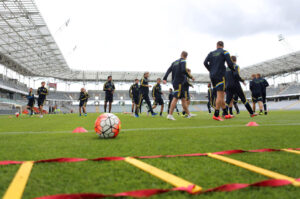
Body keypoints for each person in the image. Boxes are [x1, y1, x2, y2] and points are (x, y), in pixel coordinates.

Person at [204, 41, 235, 121]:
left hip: (212, 76)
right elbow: (230, 64)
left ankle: (225, 113)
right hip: (220, 75)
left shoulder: (211, 53)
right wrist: (234, 70)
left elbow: (205, 62)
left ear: (217, 45)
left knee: (220, 94)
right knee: (220, 95)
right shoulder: (225, 52)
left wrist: (210, 70)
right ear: (223, 46)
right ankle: (216, 114)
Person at [163, 51, 195, 120]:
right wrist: (190, 76)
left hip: (176, 82)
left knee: (183, 99)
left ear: (181, 54)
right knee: (175, 98)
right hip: (179, 82)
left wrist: (165, 78)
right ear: (186, 57)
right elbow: (184, 70)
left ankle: (189, 114)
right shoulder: (183, 61)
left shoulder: (174, 62)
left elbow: (169, 70)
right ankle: (170, 114)